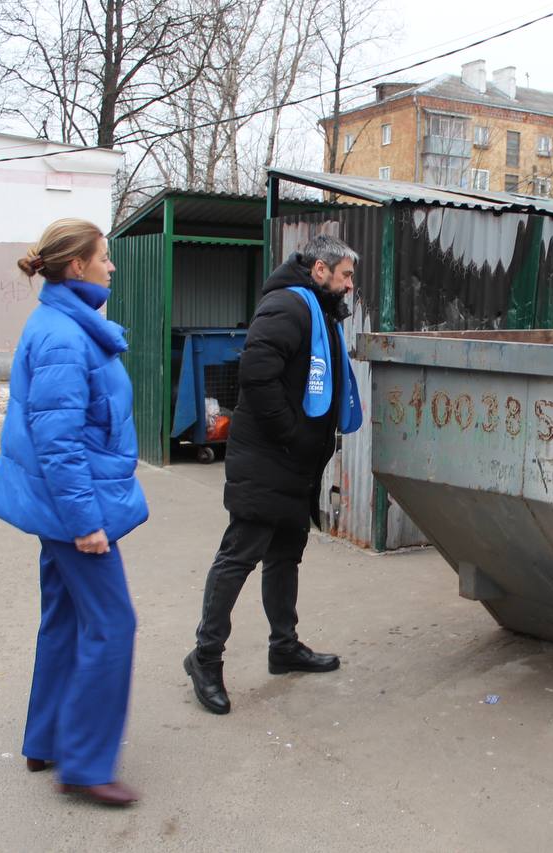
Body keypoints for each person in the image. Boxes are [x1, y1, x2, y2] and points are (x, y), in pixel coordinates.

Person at [0, 218, 148, 806]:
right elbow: (57, 442)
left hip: (65, 504)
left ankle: (47, 737)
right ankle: (84, 763)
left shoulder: (67, 323)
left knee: (64, 617)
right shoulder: (61, 336)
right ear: (76, 266)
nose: (111, 266)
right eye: (104, 258)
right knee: (112, 624)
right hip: (74, 509)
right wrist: (85, 524)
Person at [183, 234, 363, 715]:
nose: (349, 286)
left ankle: (284, 646)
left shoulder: (315, 309)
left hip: (293, 461)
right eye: (345, 275)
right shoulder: (287, 305)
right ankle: (204, 658)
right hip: (270, 457)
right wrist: (292, 434)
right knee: (239, 555)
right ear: (320, 270)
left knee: (286, 555)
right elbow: (257, 375)